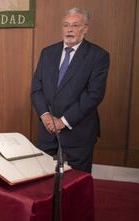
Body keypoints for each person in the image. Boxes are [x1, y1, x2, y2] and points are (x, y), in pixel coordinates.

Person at [31, 8, 110, 173]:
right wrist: (45, 116)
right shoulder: (48, 53)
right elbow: (36, 88)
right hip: (48, 129)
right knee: (41, 179)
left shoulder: (98, 55)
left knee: (78, 183)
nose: (69, 30)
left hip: (79, 130)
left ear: (85, 28)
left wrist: (63, 121)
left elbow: (94, 94)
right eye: (66, 25)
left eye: (75, 25)